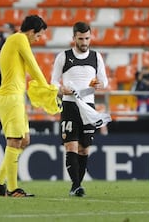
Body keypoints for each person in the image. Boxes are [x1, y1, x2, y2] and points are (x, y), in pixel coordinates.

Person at [0, 15, 50, 198]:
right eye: (38, 36)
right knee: (14, 141)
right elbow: (33, 66)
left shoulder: (15, 40)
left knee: (24, 141)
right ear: (31, 32)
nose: (37, 40)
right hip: (10, 97)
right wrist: (48, 89)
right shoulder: (19, 39)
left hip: (16, 97)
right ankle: (13, 188)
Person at [51, 22, 109, 197]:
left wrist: (99, 84)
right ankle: (76, 185)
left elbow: (104, 81)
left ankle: (77, 185)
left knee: (84, 149)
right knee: (71, 146)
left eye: (87, 38)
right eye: (81, 39)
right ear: (74, 38)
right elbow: (53, 81)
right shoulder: (64, 56)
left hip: (88, 106)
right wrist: (61, 89)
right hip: (69, 105)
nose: (84, 42)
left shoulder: (96, 56)